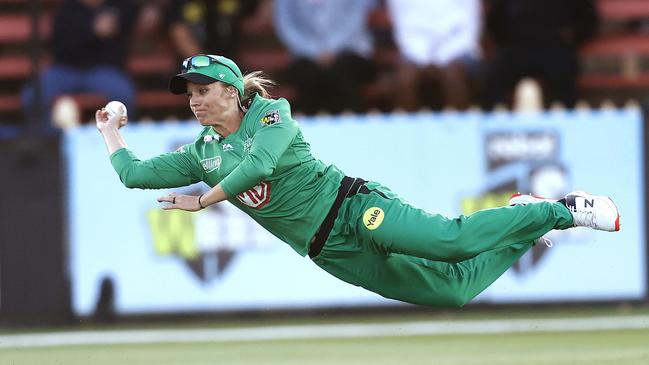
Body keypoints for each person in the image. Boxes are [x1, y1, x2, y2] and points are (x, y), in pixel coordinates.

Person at [96, 54, 621, 307]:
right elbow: (134, 176)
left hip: (353, 208)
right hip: (330, 251)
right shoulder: (201, 153)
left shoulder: (271, 115)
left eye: (201, 88)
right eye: (187, 91)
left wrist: (205, 201)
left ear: (231, 91)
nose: (192, 99)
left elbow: (257, 167)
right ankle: (526, 221)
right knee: (452, 294)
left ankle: (564, 210)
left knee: (451, 242)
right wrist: (110, 134)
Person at [22, 0, 139, 129]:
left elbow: (136, 14)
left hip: (103, 71)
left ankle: (118, 142)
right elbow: (61, 48)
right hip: (65, 70)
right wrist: (92, 31)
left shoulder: (119, 7)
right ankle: (45, 139)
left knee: (123, 94)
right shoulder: (67, 10)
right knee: (33, 94)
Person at [483, 0, 598, 109]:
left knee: (565, 77)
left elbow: (588, 19)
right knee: (494, 76)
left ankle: (566, 121)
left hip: (555, 48)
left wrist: (573, 34)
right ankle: (493, 122)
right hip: (516, 48)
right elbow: (495, 21)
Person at [273, 0, 378, 114]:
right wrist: (316, 51)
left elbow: (357, 17)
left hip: (351, 49)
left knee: (343, 73)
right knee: (306, 76)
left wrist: (330, 48)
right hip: (305, 54)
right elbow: (286, 26)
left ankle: (350, 124)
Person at [386, 0, 481, 111]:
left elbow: (469, 28)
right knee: (405, 78)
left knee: (453, 76)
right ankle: (406, 127)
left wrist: (442, 57)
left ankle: (459, 126)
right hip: (415, 50)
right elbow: (403, 26)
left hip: (458, 50)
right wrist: (424, 58)